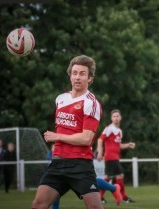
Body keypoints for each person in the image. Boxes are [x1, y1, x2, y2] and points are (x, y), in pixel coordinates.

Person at [31, 55, 103, 209]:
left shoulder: (91, 103)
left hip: (80, 164)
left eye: (82, 74)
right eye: (74, 73)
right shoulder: (60, 99)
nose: (77, 77)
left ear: (90, 78)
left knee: (95, 207)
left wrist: (57, 136)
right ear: (70, 75)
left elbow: (86, 138)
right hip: (58, 163)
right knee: (38, 205)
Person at [96, 109, 136, 204]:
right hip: (110, 157)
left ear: (120, 118)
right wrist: (100, 153)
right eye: (114, 116)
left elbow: (119, 145)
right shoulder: (109, 128)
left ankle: (99, 197)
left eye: (117, 116)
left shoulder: (119, 131)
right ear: (111, 118)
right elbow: (100, 140)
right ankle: (124, 197)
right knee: (120, 175)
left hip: (114, 157)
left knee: (108, 177)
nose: (116, 118)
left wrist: (128, 145)